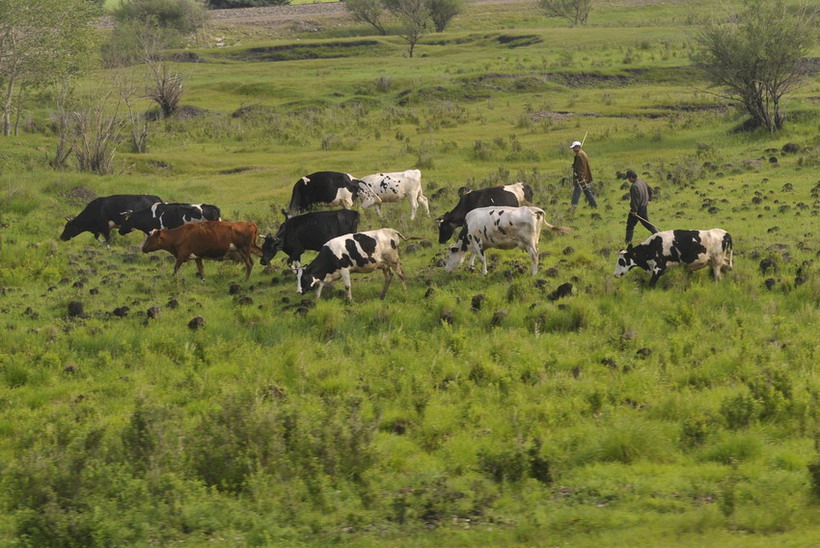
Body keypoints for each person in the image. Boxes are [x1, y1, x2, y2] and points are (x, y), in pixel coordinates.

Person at [624, 169, 659, 244]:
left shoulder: (634, 186)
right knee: (647, 224)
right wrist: (649, 199)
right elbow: (650, 189)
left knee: (630, 225)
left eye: (628, 178)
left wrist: (634, 210)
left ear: (631, 177)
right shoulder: (642, 181)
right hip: (644, 207)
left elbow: (635, 200)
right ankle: (658, 234)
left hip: (638, 209)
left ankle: (627, 241)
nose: (628, 180)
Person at [569, 140, 597, 209]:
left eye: (574, 148)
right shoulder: (582, 153)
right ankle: (594, 205)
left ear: (577, 147)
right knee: (587, 191)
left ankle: (573, 206)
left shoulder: (579, 155)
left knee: (577, 191)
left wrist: (580, 177)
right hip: (584, 176)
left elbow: (581, 167)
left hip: (580, 177)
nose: (573, 149)